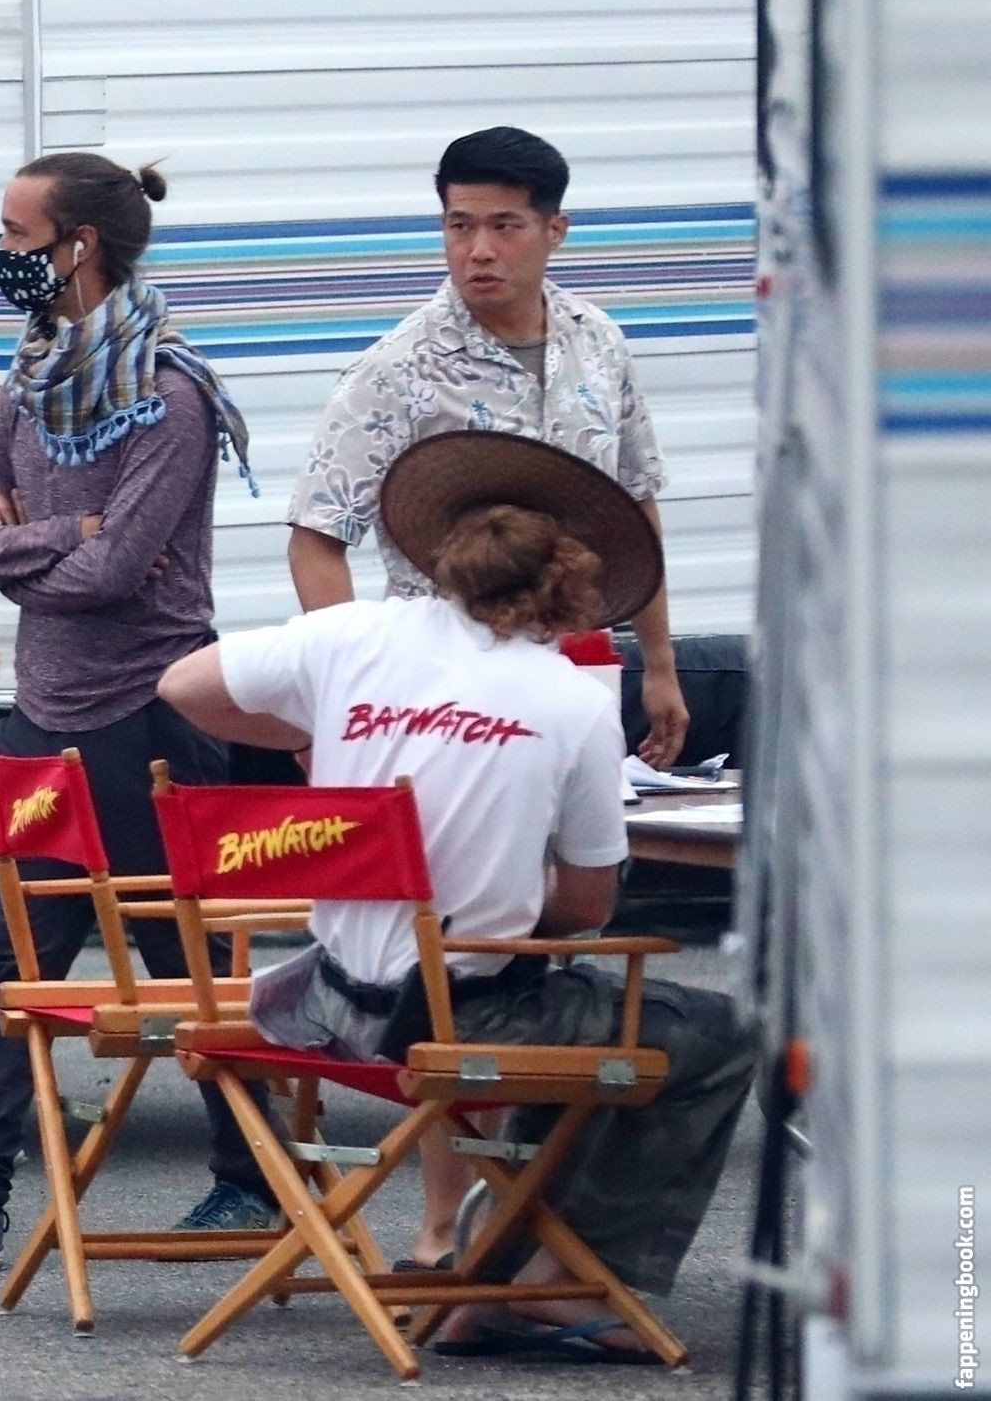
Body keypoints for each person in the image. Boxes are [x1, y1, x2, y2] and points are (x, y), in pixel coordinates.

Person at [159, 432, 755, 1359]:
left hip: (324, 1000)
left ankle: (494, 1270)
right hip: (452, 1019)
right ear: (571, 582)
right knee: (707, 1030)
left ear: (450, 559)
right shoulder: (572, 702)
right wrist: (502, 885)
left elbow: (183, 683)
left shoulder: (355, 635)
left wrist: (315, 737)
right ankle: (556, 1276)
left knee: (570, 1011)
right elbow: (586, 910)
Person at [0, 151, 278, 1271]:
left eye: (17, 237)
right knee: (10, 954)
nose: (3, 256)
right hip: (43, 717)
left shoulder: (170, 394)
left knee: (188, 957)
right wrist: (61, 537)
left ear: (81, 246)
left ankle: (255, 1182)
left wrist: (31, 549)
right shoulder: (28, 381)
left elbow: (121, 571)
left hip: (151, 715)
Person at [282, 125, 694, 1266]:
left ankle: (523, 1216)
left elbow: (638, 507)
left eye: (504, 225)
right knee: (463, 948)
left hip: (571, 672)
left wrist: (659, 660)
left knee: (556, 931)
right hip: (448, 687)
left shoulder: (599, 341)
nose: (478, 250)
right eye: (458, 225)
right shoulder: (401, 365)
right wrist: (345, 684)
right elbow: (317, 530)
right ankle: (440, 1223)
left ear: (555, 230)